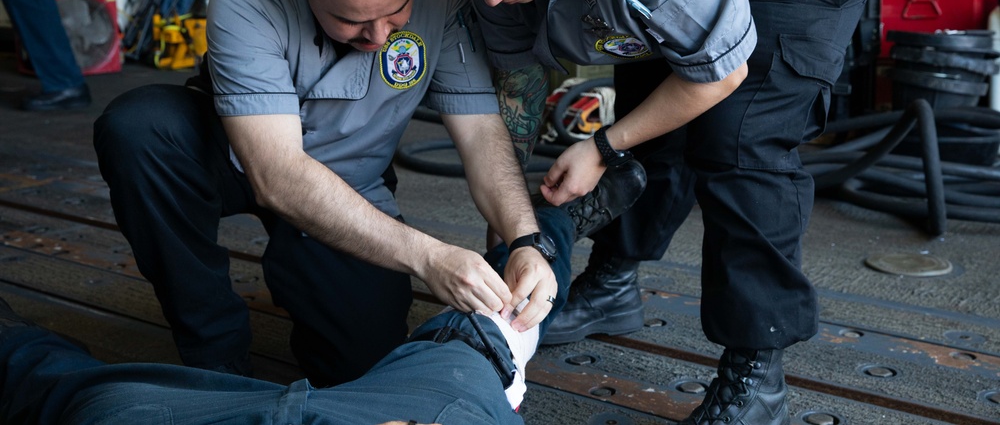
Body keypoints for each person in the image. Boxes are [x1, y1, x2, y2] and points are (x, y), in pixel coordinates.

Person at [430, 0, 884, 425]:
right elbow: (517, 98)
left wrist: (603, 146)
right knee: (656, 109)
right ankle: (614, 282)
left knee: (741, 137)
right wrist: (516, 241)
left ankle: (758, 373)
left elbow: (720, 75)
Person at [93, 0, 565, 388]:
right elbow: (276, 174)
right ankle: (214, 352)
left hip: (349, 182)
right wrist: (429, 256)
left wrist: (526, 239)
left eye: (396, 15)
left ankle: (305, 277)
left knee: (363, 365)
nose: (379, 37)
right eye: (350, 20)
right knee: (138, 130)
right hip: (240, 155)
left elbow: (479, 132)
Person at [0, 162, 646, 425]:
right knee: (501, 312)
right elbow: (277, 168)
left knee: (88, 399)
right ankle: (557, 220)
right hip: (427, 399)